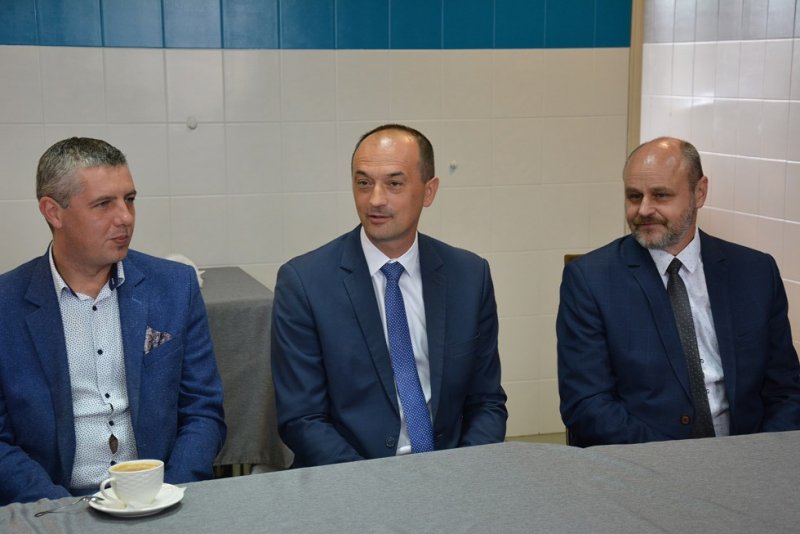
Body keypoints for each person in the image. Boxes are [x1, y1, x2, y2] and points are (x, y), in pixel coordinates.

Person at [0, 138, 226, 505]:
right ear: (53, 212)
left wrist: (170, 494)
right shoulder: (6, 305)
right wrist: (58, 511)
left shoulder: (174, 287)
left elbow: (203, 410)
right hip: (51, 507)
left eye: (129, 199)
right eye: (103, 204)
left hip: (163, 497)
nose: (125, 217)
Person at [271, 124, 507, 467]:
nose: (375, 200)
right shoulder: (305, 283)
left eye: (394, 184)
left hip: (452, 473)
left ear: (428, 191)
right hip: (348, 477)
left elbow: (487, 402)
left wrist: (461, 473)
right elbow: (301, 419)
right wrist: (375, 486)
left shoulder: (469, 276)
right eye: (363, 183)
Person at [557, 136, 800, 447]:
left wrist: (759, 454)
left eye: (660, 195)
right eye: (634, 196)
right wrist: (676, 462)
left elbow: (786, 391)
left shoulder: (755, 273)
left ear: (699, 192)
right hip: (644, 459)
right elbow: (587, 405)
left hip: (747, 457)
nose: (644, 209)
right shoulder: (591, 280)